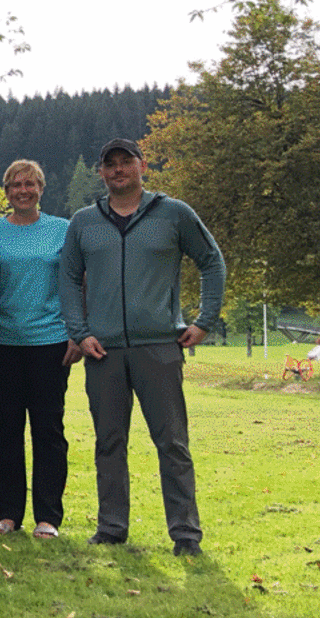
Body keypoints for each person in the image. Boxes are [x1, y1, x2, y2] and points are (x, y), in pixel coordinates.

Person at [61, 138, 225, 557]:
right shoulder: (84, 222)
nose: (118, 170)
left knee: (172, 442)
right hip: (103, 352)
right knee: (108, 442)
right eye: (110, 164)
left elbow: (211, 261)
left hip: (159, 348)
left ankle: (186, 533)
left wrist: (204, 321)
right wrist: (80, 332)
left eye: (126, 162)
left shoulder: (173, 214)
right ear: (101, 172)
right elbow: (67, 278)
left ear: (142, 166)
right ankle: (112, 527)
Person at [0, 160, 80, 539]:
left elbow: (77, 282)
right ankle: (7, 514)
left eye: (30, 184)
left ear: (41, 188)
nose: (23, 190)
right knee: (5, 429)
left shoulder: (63, 230)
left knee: (48, 428)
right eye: (15, 185)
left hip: (50, 342)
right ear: (5, 191)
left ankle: (48, 517)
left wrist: (77, 331)